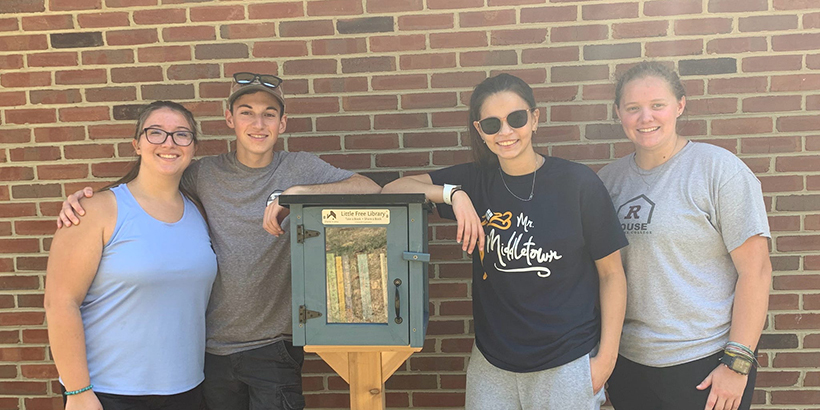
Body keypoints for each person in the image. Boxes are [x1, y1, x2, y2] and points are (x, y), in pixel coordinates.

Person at [58, 73, 382, 410]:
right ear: (229, 119)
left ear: (283, 123)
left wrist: (297, 194)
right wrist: (88, 201)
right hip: (209, 351)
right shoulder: (204, 174)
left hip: (274, 347)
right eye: (246, 112)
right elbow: (152, 180)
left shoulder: (299, 168)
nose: (258, 123)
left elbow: (369, 188)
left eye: (269, 114)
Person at [382, 73, 628, 410]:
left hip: (566, 361)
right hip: (492, 364)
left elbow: (611, 274)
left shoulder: (577, 183)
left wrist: (605, 360)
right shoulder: (474, 181)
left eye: (516, 118)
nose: (506, 132)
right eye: (492, 124)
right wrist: (453, 195)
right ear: (480, 131)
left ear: (535, 118)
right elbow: (392, 190)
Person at [598, 61, 772, 410]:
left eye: (657, 105)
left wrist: (737, 364)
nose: (645, 117)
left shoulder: (718, 170)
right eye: (633, 108)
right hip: (630, 364)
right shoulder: (607, 183)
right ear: (619, 113)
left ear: (679, 105)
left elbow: (757, 271)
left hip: (704, 365)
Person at [45, 101, 218, 410]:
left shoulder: (200, 212)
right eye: (156, 133)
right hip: (109, 393)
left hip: (188, 389)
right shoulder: (96, 211)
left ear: (193, 148)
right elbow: (60, 303)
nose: (169, 142)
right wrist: (78, 391)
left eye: (182, 134)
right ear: (136, 144)